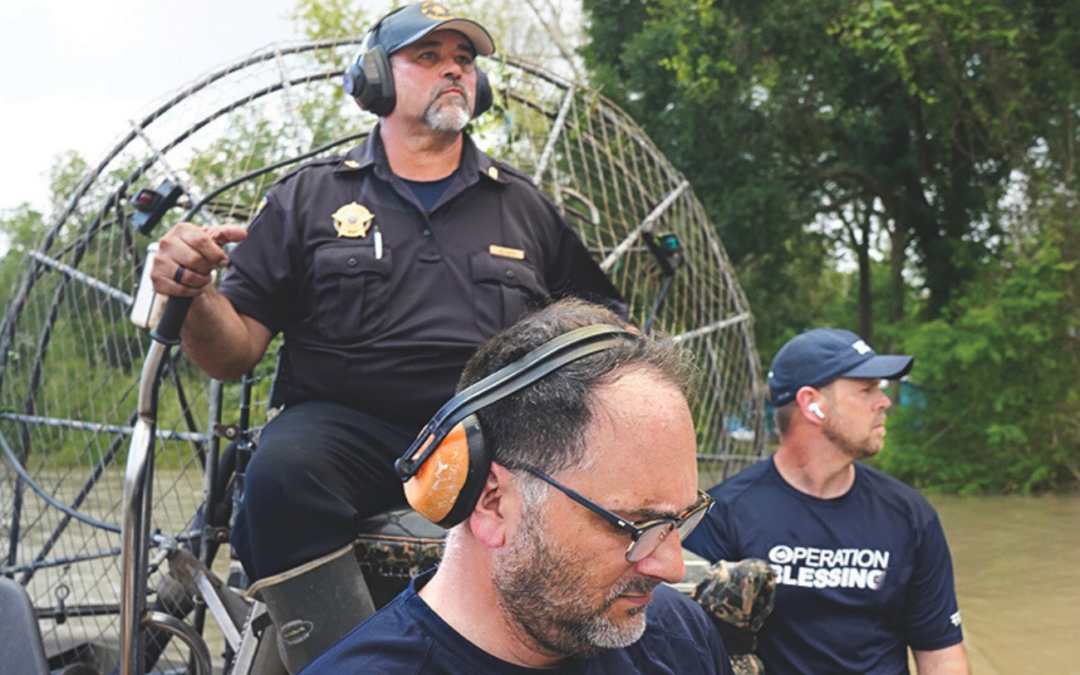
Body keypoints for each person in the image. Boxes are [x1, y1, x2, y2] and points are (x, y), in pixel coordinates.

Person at [149, 2, 623, 585]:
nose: (453, 70)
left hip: (489, 432)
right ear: (372, 80)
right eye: (429, 56)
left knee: (582, 487)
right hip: (344, 432)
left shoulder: (522, 206)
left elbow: (604, 329)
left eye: (465, 59)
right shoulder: (308, 198)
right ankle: (334, 653)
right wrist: (195, 292)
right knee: (281, 472)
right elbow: (232, 352)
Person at [301, 298, 734, 674]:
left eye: (681, 519)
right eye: (635, 526)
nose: (673, 568)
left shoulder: (680, 638)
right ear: (493, 504)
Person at [683, 328, 971, 675]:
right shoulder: (723, 514)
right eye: (867, 389)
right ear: (812, 404)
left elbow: (941, 655)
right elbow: (687, 648)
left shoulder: (910, 515)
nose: (885, 401)